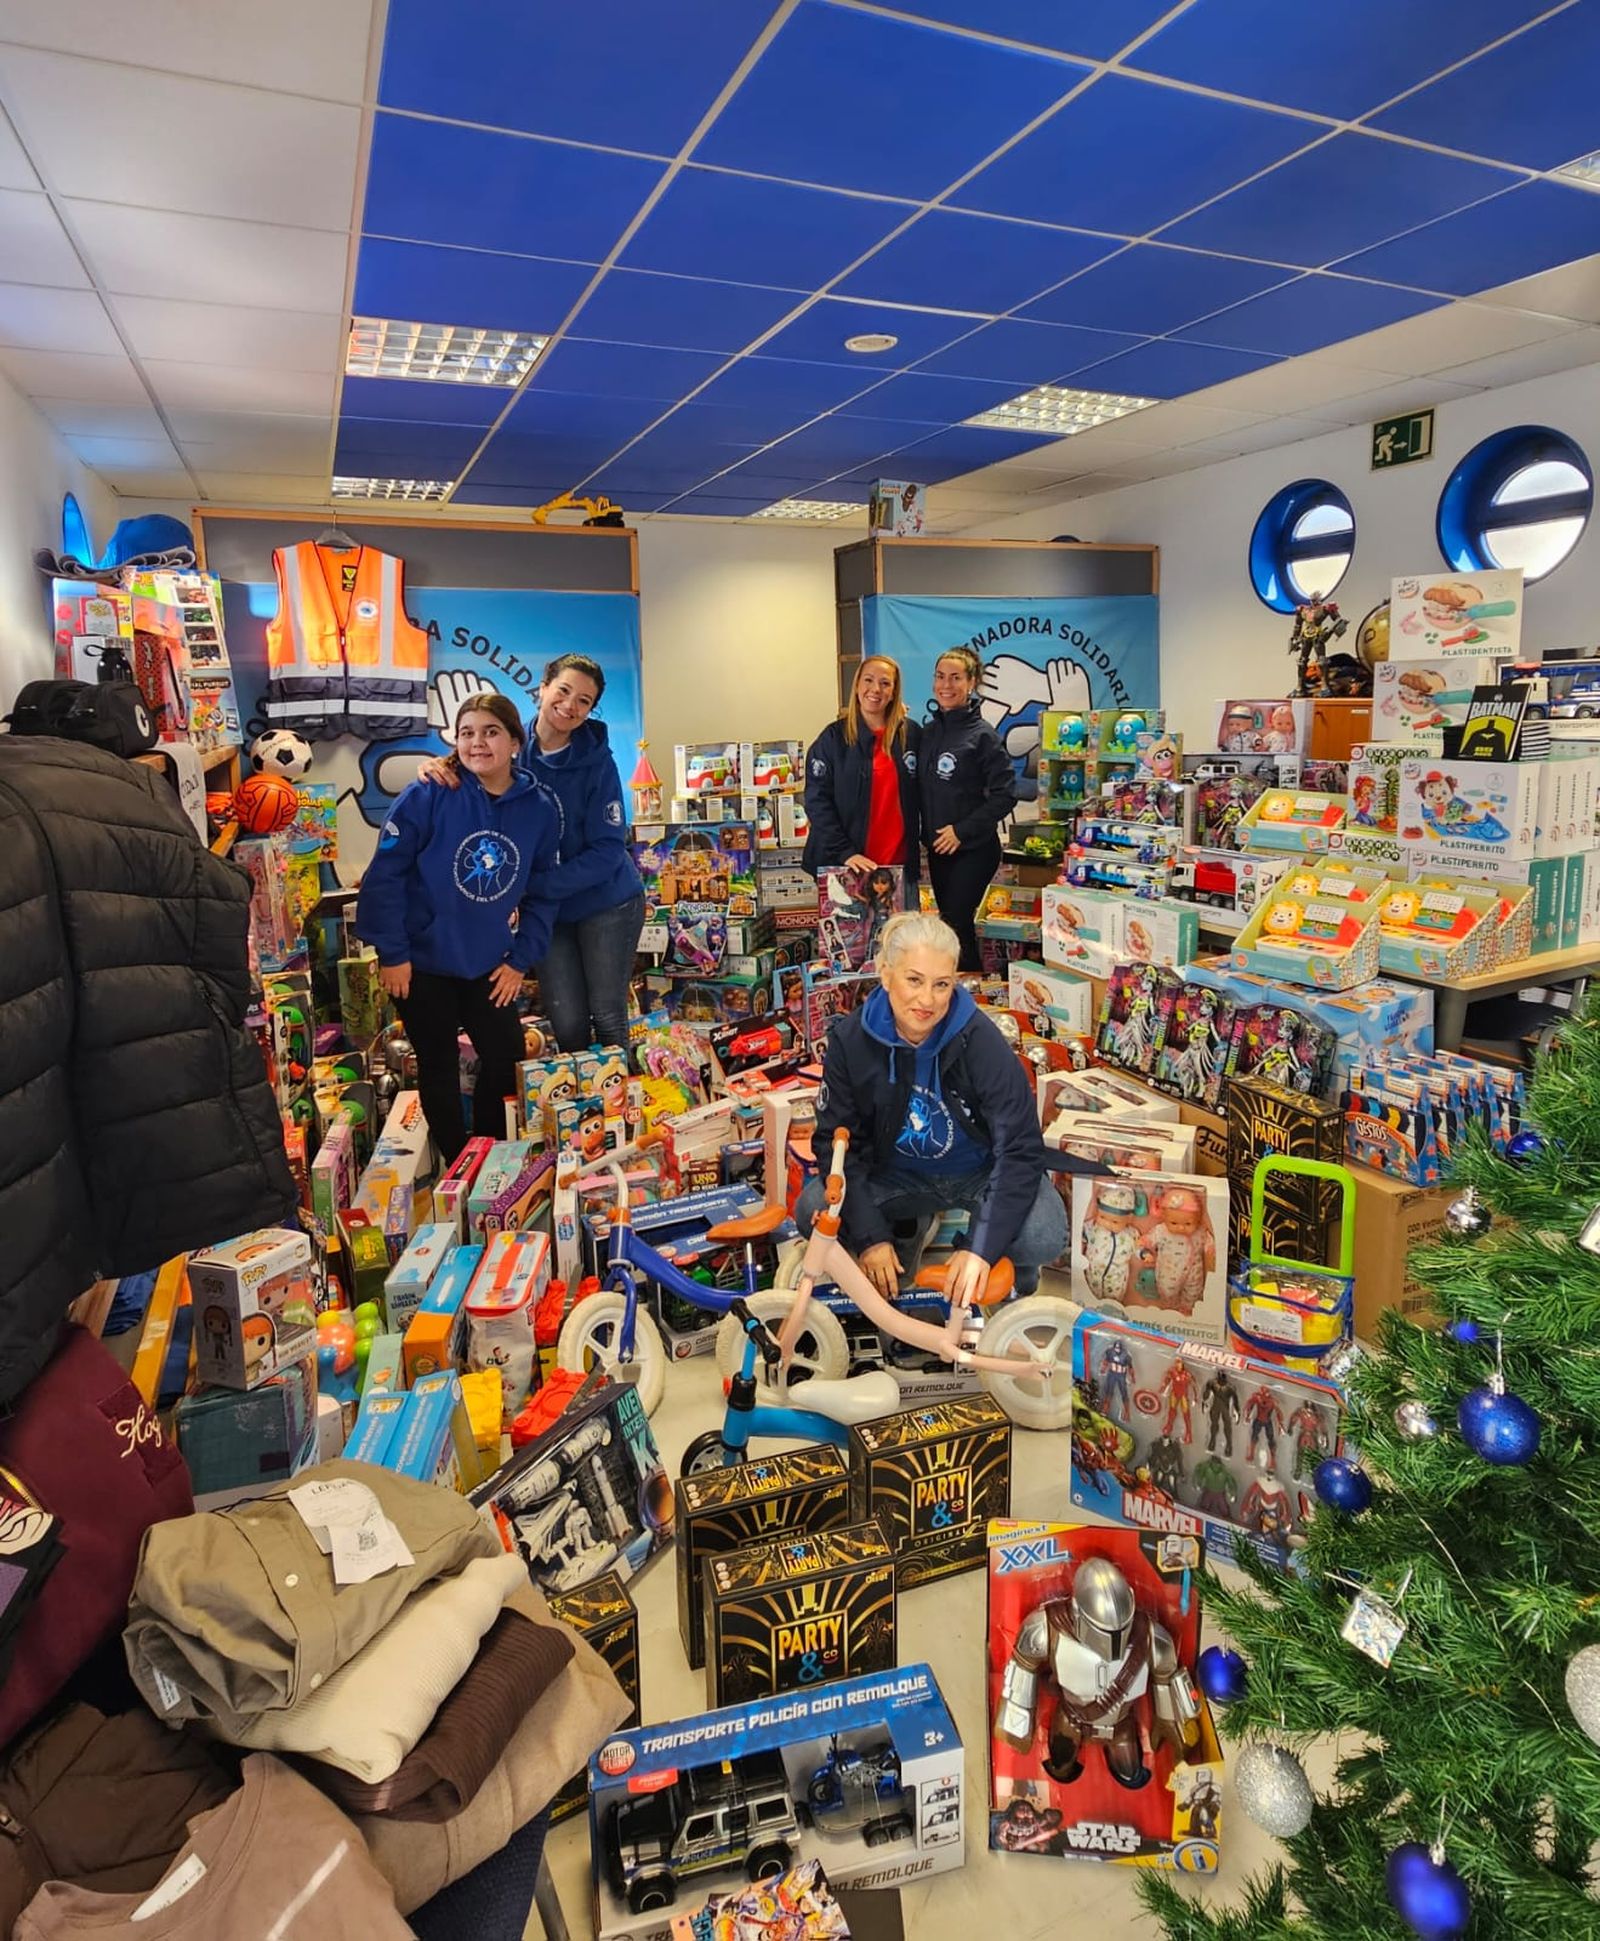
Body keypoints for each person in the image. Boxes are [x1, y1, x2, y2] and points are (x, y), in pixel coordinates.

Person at [795, 911, 1077, 1306]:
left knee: (1043, 1234)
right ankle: (905, 1228)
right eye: (914, 980)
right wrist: (870, 1238)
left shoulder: (981, 1040)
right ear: (885, 973)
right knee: (812, 1209)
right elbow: (837, 1144)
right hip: (895, 1173)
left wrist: (980, 1247)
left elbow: (1018, 1148)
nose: (927, 1000)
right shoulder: (850, 1041)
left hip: (977, 1173)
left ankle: (1014, 1272)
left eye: (941, 985)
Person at [356, 693, 562, 1163]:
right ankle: (457, 1159)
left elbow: (544, 893)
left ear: (515, 741)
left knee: (506, 1051)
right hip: (420, 962)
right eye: (466, 732)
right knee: (438, 1064)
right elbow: (385, 876)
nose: (477, 743)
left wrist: (519, 960)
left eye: (490, 732)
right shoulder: (429, 793)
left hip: (487, 961)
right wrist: (392, 953)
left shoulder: (538, 810)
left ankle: (486, 1151)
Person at [420, 655, 646, 1051]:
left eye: (584, 701)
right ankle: (580, 1107)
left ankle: (617, 1107)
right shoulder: (509, 747)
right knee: (567, 1020)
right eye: (563, 691)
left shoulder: (598, 763)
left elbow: (609, 851)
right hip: (549, 913)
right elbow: (471, 766)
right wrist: (437, 767)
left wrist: (531, 885)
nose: (570, 705)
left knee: (608, 1014)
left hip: (606, 902)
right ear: (542, 688)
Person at [917, 647, 1017, 971]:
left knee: (956, 923)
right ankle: (962, 992)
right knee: (950, 927)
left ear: (971, 683)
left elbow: (1006, 795)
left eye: (956, 678)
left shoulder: (982, 735)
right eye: (940, 676)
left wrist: (962, 830)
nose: (946, 685)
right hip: (939, 850)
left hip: (973, 849)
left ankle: (971, 997)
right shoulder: (928, 733)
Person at [801, 656, 921, 892]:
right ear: (857, 685)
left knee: (902, 930)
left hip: (897, 868)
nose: (876, 689)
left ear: (894, 691)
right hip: (845, 866)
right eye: (869, 680)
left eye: (885, 683)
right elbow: (817, 802)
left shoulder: (911, 735)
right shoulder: (833, 739)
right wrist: (846, 852)